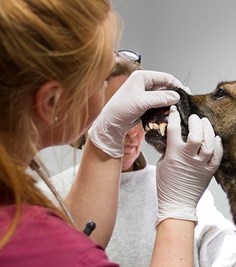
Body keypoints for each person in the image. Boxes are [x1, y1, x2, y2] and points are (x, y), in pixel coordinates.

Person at [0, 1, 223, 266]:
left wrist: (106, 137)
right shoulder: (32, 241)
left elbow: (80, 235)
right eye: (105, 77)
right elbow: (69, 252)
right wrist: (178, 209)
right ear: (52, 101)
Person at [38, 52, 236, 266]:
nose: (129, 133)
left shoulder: (179, 183)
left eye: (137, 116)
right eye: (114, 114)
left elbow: (226, 251)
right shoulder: (46, 196)